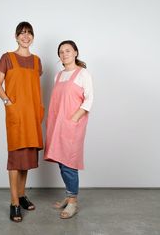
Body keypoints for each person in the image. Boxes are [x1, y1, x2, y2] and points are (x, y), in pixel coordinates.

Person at [0, 22, 44, 222]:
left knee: (26, 159)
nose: (26, 36)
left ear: (33, 37)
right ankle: (14, 202)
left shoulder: (37, 61)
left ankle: (22, 195)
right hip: (16, 115)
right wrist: (8, 102)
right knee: (15, 160)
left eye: (29, 33)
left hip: (32, 115)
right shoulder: (7, 58)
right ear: (16, 37)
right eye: (22, 33)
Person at [44, 40, 93, 219]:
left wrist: (73, 118)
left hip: (72, 124)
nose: (64, 54)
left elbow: (89, 99)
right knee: (60, 160)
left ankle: (73, 202)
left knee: (69, 163)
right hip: (57, 124)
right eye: (61, 52)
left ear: (75, 53)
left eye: (68, 51)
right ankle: (68, 195)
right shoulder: (58, 75)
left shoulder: (83, 74)